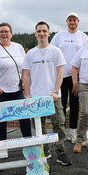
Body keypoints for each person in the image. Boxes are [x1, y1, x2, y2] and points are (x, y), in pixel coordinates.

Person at [22, 21, 72, 166]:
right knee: (40, 126)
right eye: (39, 31)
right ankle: (45, 149)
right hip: (36, 96)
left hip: (53, 95)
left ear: (49, 33)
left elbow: (60, 72)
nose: (42, 33)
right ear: (35, 34)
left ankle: (61, 152)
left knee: (59, 124)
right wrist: (28, 94)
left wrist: (56, 90)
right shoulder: (30, 53)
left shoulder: (56, 51)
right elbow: (26, 74)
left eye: (44, 31)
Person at [0, 23, 32, 150]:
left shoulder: (19, 47)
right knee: (1, 121)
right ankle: (2, 148)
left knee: (25, 117)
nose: (4, 34)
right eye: (1, 32)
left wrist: (25, 84)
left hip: (16, 90)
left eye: (6, 31)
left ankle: (29, 145)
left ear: (11, 34)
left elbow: (25, 67)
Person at [50, 13, 88, 142]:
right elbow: (52, 53)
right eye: (70, 20)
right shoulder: (59, 36)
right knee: (60, 105)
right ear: (66, 21)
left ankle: (73, 131)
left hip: (76, 76)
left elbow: (87, 54)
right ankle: (61, 132)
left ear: (78, 21)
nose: (72, 22)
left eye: (74, 20)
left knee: (74, 104)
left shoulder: (83, 37)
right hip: (61, 75)